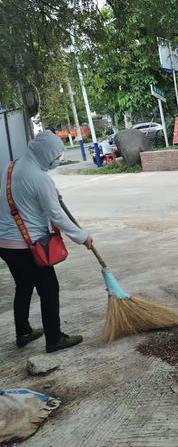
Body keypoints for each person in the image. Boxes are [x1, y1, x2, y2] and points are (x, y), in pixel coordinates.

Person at [0, 131, 93, 353]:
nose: (56, 160)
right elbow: (57, 216)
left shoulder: (11, 167)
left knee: (23, 285)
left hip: (5, 244)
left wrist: (48, 193)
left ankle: (23, 332)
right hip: (26, 247)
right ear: (45, 153)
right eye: (55, 155)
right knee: (49, 288)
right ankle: (54, 338)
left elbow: (23, 196)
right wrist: (82, 237)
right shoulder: (40, 178)